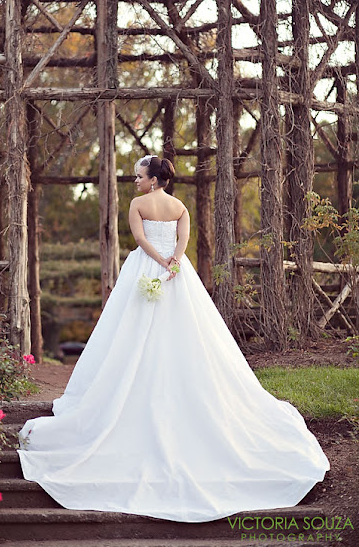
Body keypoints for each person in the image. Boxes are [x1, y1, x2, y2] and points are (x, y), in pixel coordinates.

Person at [18, 154, 330, 523]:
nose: (135, 181)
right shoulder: (179, 205)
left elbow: (138, 239)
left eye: (138, 176)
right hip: (178, 272)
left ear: (152, 180)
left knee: (130, 332)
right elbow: (183, 241)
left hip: (147, 268)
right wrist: (175, 262)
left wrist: (159, 261)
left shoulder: (138, 204)